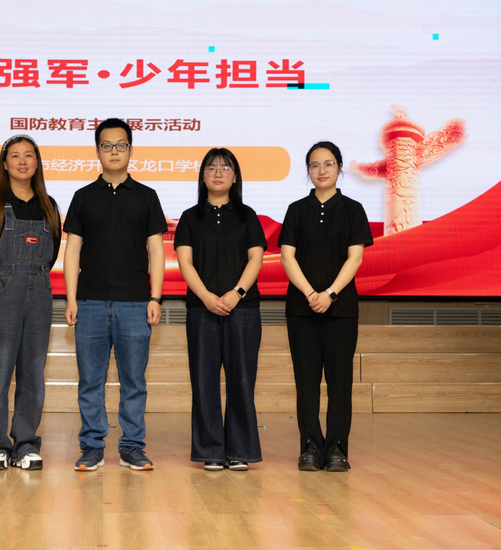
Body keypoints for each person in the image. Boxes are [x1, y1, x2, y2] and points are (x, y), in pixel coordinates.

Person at [63, 118, 167, 471]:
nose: (114, 152)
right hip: (89, 303)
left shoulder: (147, 196)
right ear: (97, 151)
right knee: (90, 382)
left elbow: (156, 249)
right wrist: (71, 299)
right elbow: (72, 250)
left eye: (121, 145)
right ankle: (92, 446)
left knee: (134, 382)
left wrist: (156, 297)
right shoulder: (83, 197)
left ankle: (132, 447)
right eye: (107, 146)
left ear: (130, 150)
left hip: (135, 303)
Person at [278, 141, 373, 472]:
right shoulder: (296, 210)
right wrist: (310, 294)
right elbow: (287, 257)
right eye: (315, 165)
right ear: (308, 171)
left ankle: (336, 449)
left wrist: (330, 294)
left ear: (339, 168)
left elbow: (355, 257)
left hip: (341, 308)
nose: (321, 170)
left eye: (328, 164)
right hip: (301, 308)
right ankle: (309, 447)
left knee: (339, 382)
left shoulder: (353, 210)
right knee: (306, 383)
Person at [0, 134, 61, 471]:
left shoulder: (49, 205)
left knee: (33, 371)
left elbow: (51, 253)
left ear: (37, 163)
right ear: (5, 164)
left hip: (39, 290)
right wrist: (1, 282)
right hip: (1, 290)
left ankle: (25, 445)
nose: (23, 161)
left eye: (29, 155)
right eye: (15, 155)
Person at [174, 148, 266, 472]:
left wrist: (237, 293)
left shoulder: (247, 216)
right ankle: (211, 450)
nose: (217, 173)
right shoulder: (190, 217)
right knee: (204, 382)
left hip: (243, 309)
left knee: (242, 380)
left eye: (225, 168)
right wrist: (206, 297)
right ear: (202, 176)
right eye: (211, 168)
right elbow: (185, 262)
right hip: (202, 309)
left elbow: (256, 258)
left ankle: (240, 450)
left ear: (235, 177)